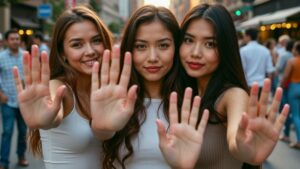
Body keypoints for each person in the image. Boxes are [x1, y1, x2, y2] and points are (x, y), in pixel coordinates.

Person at [89, 5, 208, 169]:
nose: (152, 57)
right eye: (141, 46)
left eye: (163, 45)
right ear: (129, 49)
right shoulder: (111, 98)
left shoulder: (191, 102)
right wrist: (101, 128)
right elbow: (101, 133)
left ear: (177, 47)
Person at [177, 3, 289, 169]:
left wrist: (243, 148)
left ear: (225, 48)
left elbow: (235, 140)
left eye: (210, 44)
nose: (195, 52)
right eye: (188, 40)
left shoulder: (232, 94)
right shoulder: (182, 92)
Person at [12, 5, 114, 169]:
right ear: (62, 53)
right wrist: (45, 119)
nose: (90, 51)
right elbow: (53, 113)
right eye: (77, 44)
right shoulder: (58, 88)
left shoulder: (109, 89)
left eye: (96, 40)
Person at [0, 29, 28, 169]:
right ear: (6, 41)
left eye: (17, 38)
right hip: (7, 101)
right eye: (12, 39)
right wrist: (0, 93)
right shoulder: (1, 57)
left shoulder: (26, 55)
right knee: (7, 131)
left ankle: (21, 156)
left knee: (23, 132)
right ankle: (3, 161)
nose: (15, 41)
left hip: (24, 101)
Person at [240, 28, 274, 98]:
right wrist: (268, 86)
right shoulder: (265, 50)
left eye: (244, 36)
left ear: (248, 36)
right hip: (262, 85)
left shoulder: (243, 51)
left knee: (249, 107)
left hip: (248, 84)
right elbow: (270, 71)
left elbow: (242, 69)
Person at [281, 41, 300, 149]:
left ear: (296, 50)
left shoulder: (292, 61)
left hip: (293, 88)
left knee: (296, 115)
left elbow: (285, 76)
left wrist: (281, 86)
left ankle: (299, 141)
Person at [277, 40, 295, 143]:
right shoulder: (294, 58)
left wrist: (281, 84)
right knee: (291, 110)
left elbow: (279, 69)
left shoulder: (285, 57)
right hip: (294, 86)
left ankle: (286, 133)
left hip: (285, 85)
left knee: (285, 109)